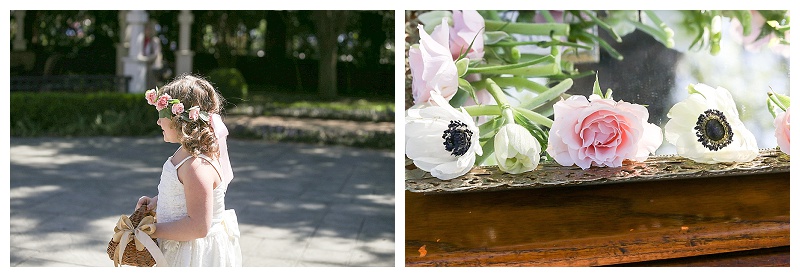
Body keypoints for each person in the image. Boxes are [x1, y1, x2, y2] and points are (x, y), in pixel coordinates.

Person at [137, 74, 241, 266]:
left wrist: (155, 230)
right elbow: (187, 197)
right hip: (178, 241)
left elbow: (198, 226)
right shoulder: (186, 153)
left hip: (191, 253)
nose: (158, 122)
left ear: (182, 119)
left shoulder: (196, 167)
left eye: (162, 115)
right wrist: (156, 202)